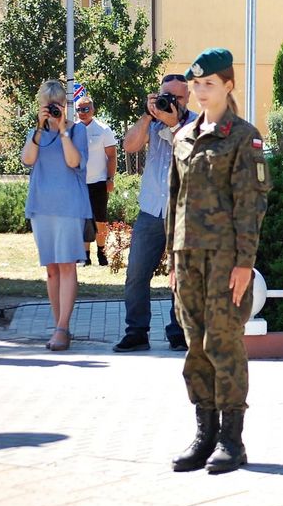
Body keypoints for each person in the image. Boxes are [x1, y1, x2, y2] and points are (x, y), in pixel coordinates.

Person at [166, 48, 270, 475]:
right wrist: (171, 258)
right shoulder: (183, 137)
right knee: (194, 345)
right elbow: (175, 201)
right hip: (187, 257)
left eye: (209, 84)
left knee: (223, 343)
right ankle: (203, 433)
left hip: (227, 259)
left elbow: (252, 205)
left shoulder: (244, 137)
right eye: (197, 85)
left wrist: (245, 262)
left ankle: (232, 438)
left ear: (228, 85)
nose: (201, 91)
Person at [113, 75, 193, 353]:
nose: (170, 102)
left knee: (181, 276)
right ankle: (136, 331)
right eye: (165, 95)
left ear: (187, 99)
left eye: (177, 97)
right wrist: (148, 116)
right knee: (136, 274)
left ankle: (179, 331)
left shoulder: (196, 123)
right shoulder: (152, 120)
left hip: (183, 213)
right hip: (150, 211)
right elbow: (129, 146)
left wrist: (174, 124)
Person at [20, 80, 93, 352]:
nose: (51, 110)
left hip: (69, 208)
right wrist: (41, 128)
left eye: (57, 105)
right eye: (46, 106)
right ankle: (57, 325)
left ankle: (63, 328)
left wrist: (62, 129)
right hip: (42, 207)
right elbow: (28, 159)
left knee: (66, 265)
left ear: (64, 105)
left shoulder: (77, 132)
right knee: (51, 269)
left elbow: (73, 162)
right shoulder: (34, 133)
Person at [74, 94, 117, 266]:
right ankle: (85, 255)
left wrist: (110, 179)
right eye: (79, 109)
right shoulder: (72, 129)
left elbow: (112, 156)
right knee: (83, 219)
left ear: (93, 110)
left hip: (99, 182)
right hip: (79, 182)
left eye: (86, 109)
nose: (82, 112)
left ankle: (102, 252)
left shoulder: (103, 130)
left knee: (100, 220)